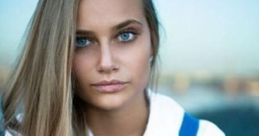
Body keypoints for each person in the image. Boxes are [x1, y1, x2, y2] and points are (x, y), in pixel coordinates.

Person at [0, 0, 225, 135]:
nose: (106, 63)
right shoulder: (21, 133)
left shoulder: (203, 135)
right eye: (81, 41)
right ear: (56, 52)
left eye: (125, 35)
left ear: (153, 41)